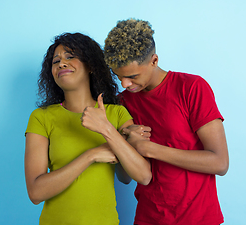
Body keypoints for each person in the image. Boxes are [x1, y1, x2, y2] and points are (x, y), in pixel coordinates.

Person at [103, 19, 229, 225]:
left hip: (198, 218)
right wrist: (123, 141)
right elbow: (124, 178)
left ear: (154, 60)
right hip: (147, 217)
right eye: (119, 76)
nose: (125, 84)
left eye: (132, 76)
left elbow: (220, 162)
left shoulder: (192, 87)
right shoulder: (123, 101)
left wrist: (148, 148)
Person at [24, 32, 151, 225]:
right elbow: (35, 192)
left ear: (90, 65)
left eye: (70, 57)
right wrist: (91, 155)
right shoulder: (41, 117)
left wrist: (106, 130)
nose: (61, 64)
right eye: (55, 61)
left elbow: (139, 175)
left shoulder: (116, 114)